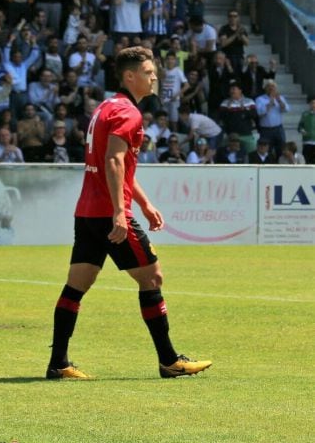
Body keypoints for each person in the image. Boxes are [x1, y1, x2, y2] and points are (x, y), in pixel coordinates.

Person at [45, 46, 211, 380]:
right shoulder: (129, 114)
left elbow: (118, 166)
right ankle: (168, 361)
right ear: (130, 76)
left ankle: (58, 363)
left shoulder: (106, 107)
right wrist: (121, 213)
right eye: (149, 72)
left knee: (77, 284)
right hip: (110, 215)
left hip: (88, 213)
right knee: (152, 277)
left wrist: (145, 204)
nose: (155, 77)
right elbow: (113, 161)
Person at [254, 79, 288, 160]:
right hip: (266, 130)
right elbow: (259, 113)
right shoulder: (259, 99)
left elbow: (286, 109)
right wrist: (270, 102)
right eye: (269, 86)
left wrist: (279, 101)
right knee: (266, 152)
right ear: (265, 88)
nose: (271, 88)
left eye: (273, 86)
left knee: (282, 149)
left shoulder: (280, 98)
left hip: (278, 129)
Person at [298, 96, 315, 164]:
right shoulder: (305, 114)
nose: (313, 105)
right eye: (312, 103)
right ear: (309, 104)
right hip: (307, 141)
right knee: (307, 160)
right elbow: (300, 127)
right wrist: (302, 130)